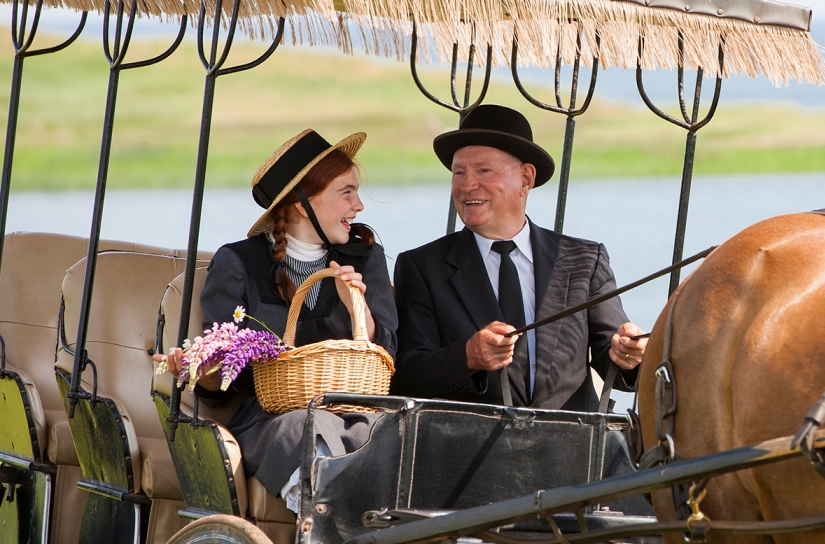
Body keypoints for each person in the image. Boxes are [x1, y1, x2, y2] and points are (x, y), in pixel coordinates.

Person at [156, 129, 398, 511]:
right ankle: (326, 521)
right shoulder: (240, 263)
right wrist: (196, 368)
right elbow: (221, 376)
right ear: (303, 203)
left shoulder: (366, 259)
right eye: (346, 192)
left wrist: (359, 310)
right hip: (272, 419)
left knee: (395, 430)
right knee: (299, 427)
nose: (359, 205)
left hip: (354, 412)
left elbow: (387, 356)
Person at [392, 104, 646, 411]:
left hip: (571, 449)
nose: (466, 185)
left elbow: (612, 358)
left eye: (483, 170)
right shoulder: (421, 267)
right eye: (458, 172)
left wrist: (629, 355)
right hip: (466, 451)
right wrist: (469, 357)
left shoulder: (585, 260)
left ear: (525, 178)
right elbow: (405, 375)